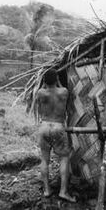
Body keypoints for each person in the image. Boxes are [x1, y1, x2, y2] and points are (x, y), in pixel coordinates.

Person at [35, 68, 76, 203]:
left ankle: (47, 190)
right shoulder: (64, 92)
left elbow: (42, 89)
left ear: (45, 81)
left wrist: (46, 84)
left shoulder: (40, 93)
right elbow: (61, 89)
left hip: (44, 127)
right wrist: (57, 82)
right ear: (57, 79)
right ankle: (63, 192)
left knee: (44, 159)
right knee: (64, 158)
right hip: (58, 126)